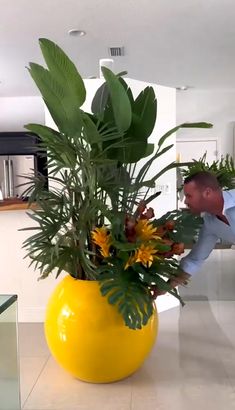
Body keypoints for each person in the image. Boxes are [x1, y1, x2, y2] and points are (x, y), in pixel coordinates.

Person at [156, 170, 235, 296]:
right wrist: (163, 288)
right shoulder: (209, 222)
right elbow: (194, 260)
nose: (185, 202)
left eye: (189, 196)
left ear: (207, 193)